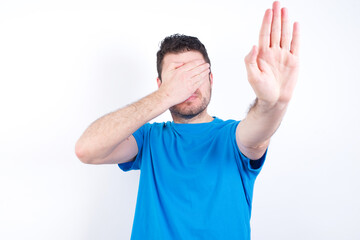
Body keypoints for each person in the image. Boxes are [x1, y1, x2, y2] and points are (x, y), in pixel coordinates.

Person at [75, 1, 299, 239]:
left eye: (196, 73)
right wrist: (166, 96)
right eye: (178, 75)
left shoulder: (232, 136)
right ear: (160, 85)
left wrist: (274, 103)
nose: (189, 83)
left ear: (211, 79)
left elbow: (258, 135)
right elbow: (87, 150)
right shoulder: (148, 139)